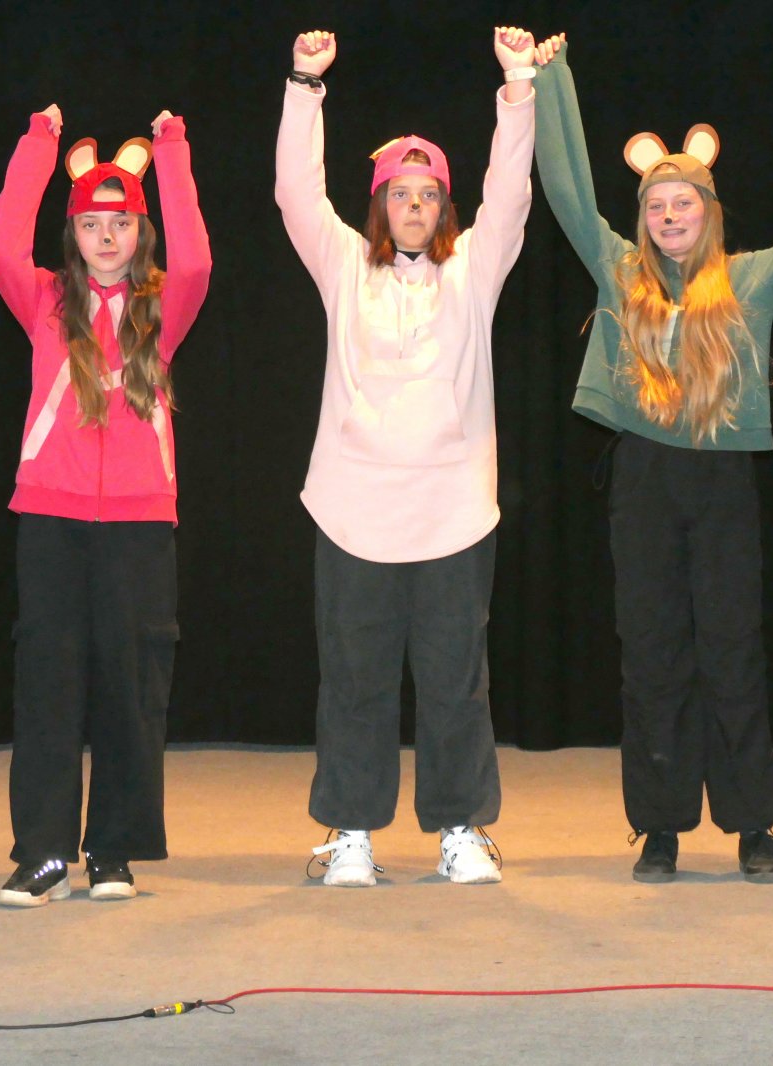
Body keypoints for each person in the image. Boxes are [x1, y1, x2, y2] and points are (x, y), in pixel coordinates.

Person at [530, 35, 773, 883]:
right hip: (644, 480)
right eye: (657, 205)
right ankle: (660, 825)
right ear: (644, 217)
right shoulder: (620, 272)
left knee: (732, 650)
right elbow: (566, 189)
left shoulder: (750, 282)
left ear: (708, 210)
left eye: (684, 203)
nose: (670, 216)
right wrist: (553, 79)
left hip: (721, 482)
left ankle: (753, 825)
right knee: (651, 653)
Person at [275, 28, 539, 887]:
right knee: (354, 680)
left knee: (456, 681)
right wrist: (305, 86)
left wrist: (517, 88)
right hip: (354, 512)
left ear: (444, 208)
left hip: (454, 515)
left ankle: (461, 829)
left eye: (429, 195)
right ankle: (351, 831)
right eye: (401, 194)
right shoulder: (345, 266)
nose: (415, 206)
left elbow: (511, 193)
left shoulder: (475, 271)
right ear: (380, 205)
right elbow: (295, 193)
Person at [0, 105, 210, 907]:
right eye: (90, 224)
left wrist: (172, 153)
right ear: (72, 234)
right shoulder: (46, 301)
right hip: (52, 519)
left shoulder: (162, 308)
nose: (106, 237)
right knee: (48, 685)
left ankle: (112, 850)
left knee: (130, 687)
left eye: (121, 224)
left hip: (140, 526)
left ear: (140, 232)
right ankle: (43, 852)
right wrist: (38, 146)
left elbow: (197, 259)